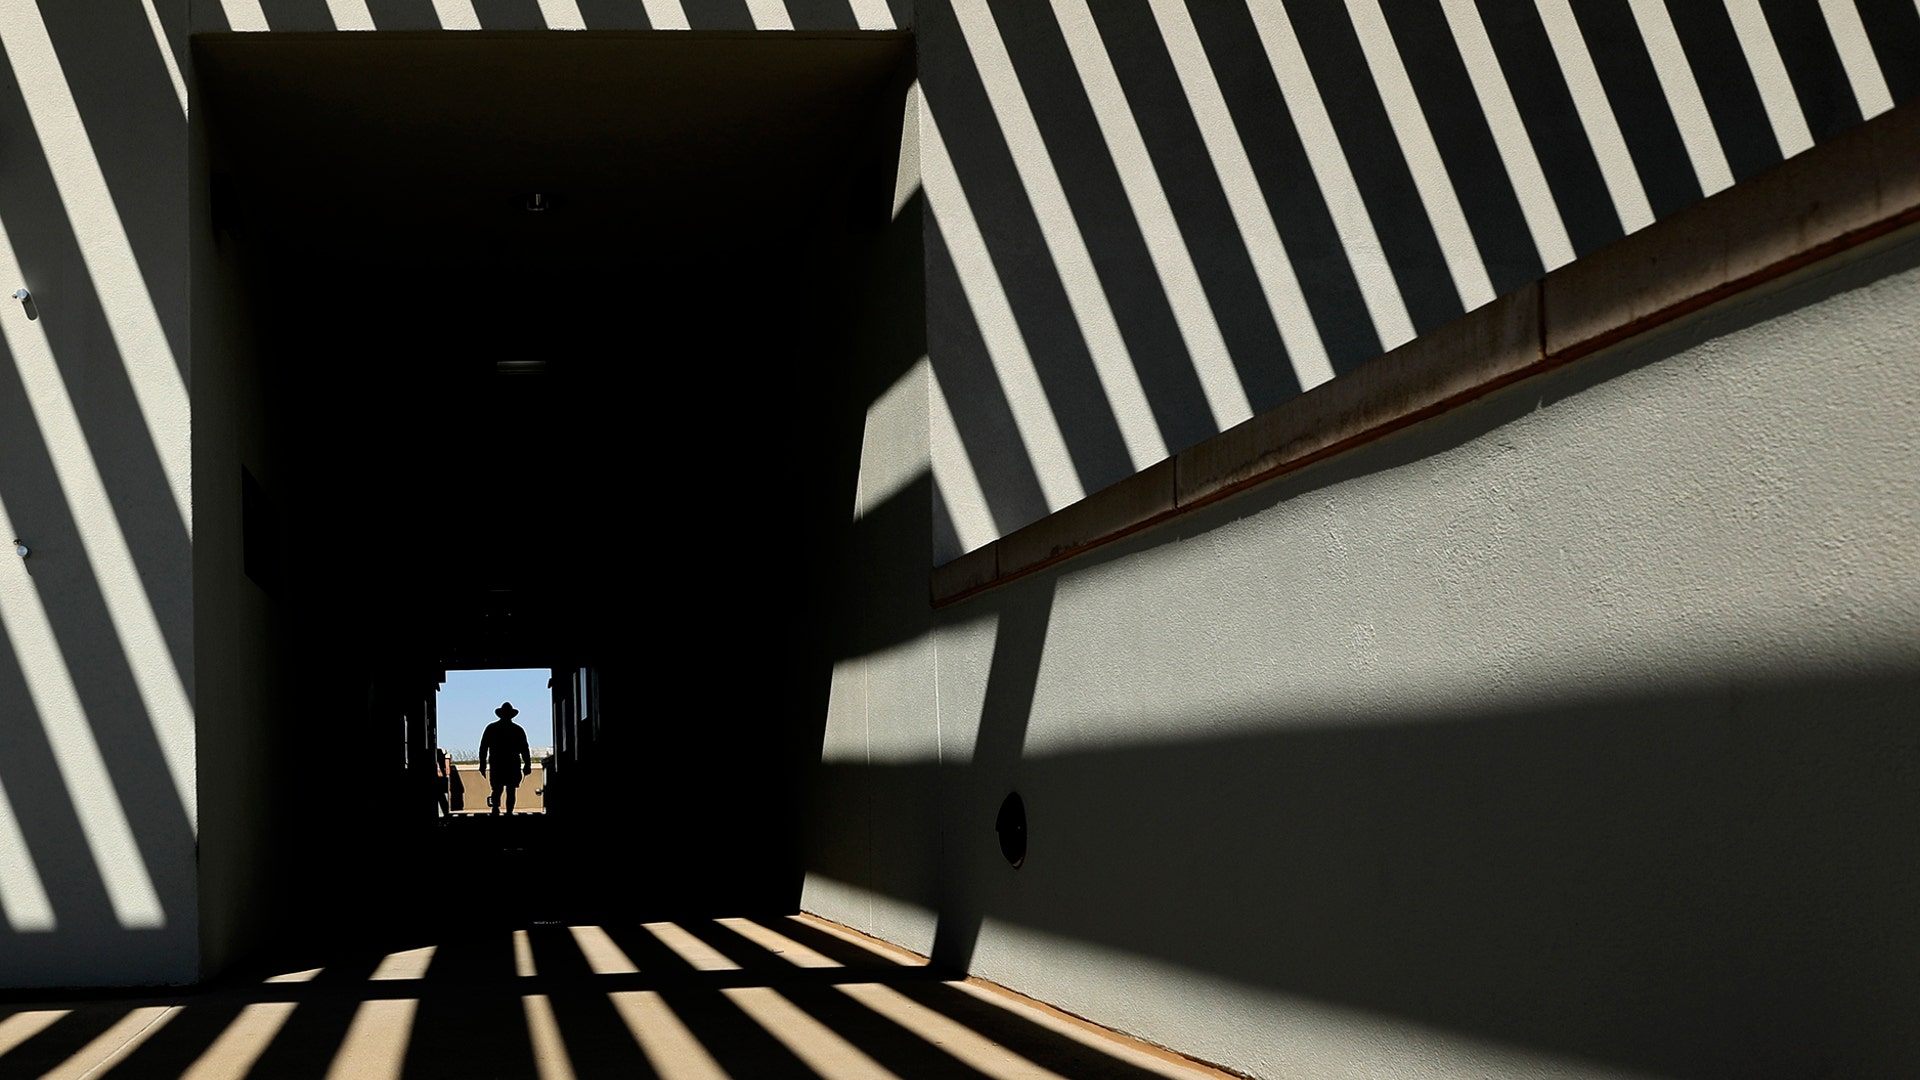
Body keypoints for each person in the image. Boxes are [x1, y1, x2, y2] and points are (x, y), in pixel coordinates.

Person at [478, 701, 533, 816]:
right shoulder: (518, 730)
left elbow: (483, 748)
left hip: (497, 763)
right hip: (512, 763)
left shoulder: (491, 728)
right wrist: (527, 765)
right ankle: (508, 812)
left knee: (497, 789)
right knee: (510, 789)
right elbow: (524, 749)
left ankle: (495, 809)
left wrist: (482, 764)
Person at [435, 749, 451, 818]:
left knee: (442, 797)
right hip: (442, 779)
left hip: (440, 779)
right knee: (443, 797)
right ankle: (445, 814)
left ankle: (443, 814)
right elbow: (447, 769)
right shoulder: (445, 758)